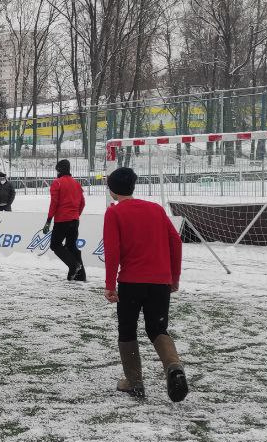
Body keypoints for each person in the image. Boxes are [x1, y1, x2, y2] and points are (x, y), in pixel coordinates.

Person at [103, 167, 188, 402]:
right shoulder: (155, 209)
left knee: (127, 330)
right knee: (157, 329)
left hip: (131, 282)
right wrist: (174, 276)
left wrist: (110, 284)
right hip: (160, 282)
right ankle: (173, 366)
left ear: (112, 190)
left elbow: (113, 251)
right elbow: (176, 243)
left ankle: (134, 381)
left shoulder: (114, 213)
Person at [43, 159, 87, 281]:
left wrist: (48, 220)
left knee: (55, 245)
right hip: (74, 219)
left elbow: (54, 203)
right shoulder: (77, 183)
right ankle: (80, 275)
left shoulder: (57, 183)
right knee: (71, 246)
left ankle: (73, 266)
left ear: (59, 170)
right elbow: (82, 203)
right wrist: (76, 215)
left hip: (62, 220)